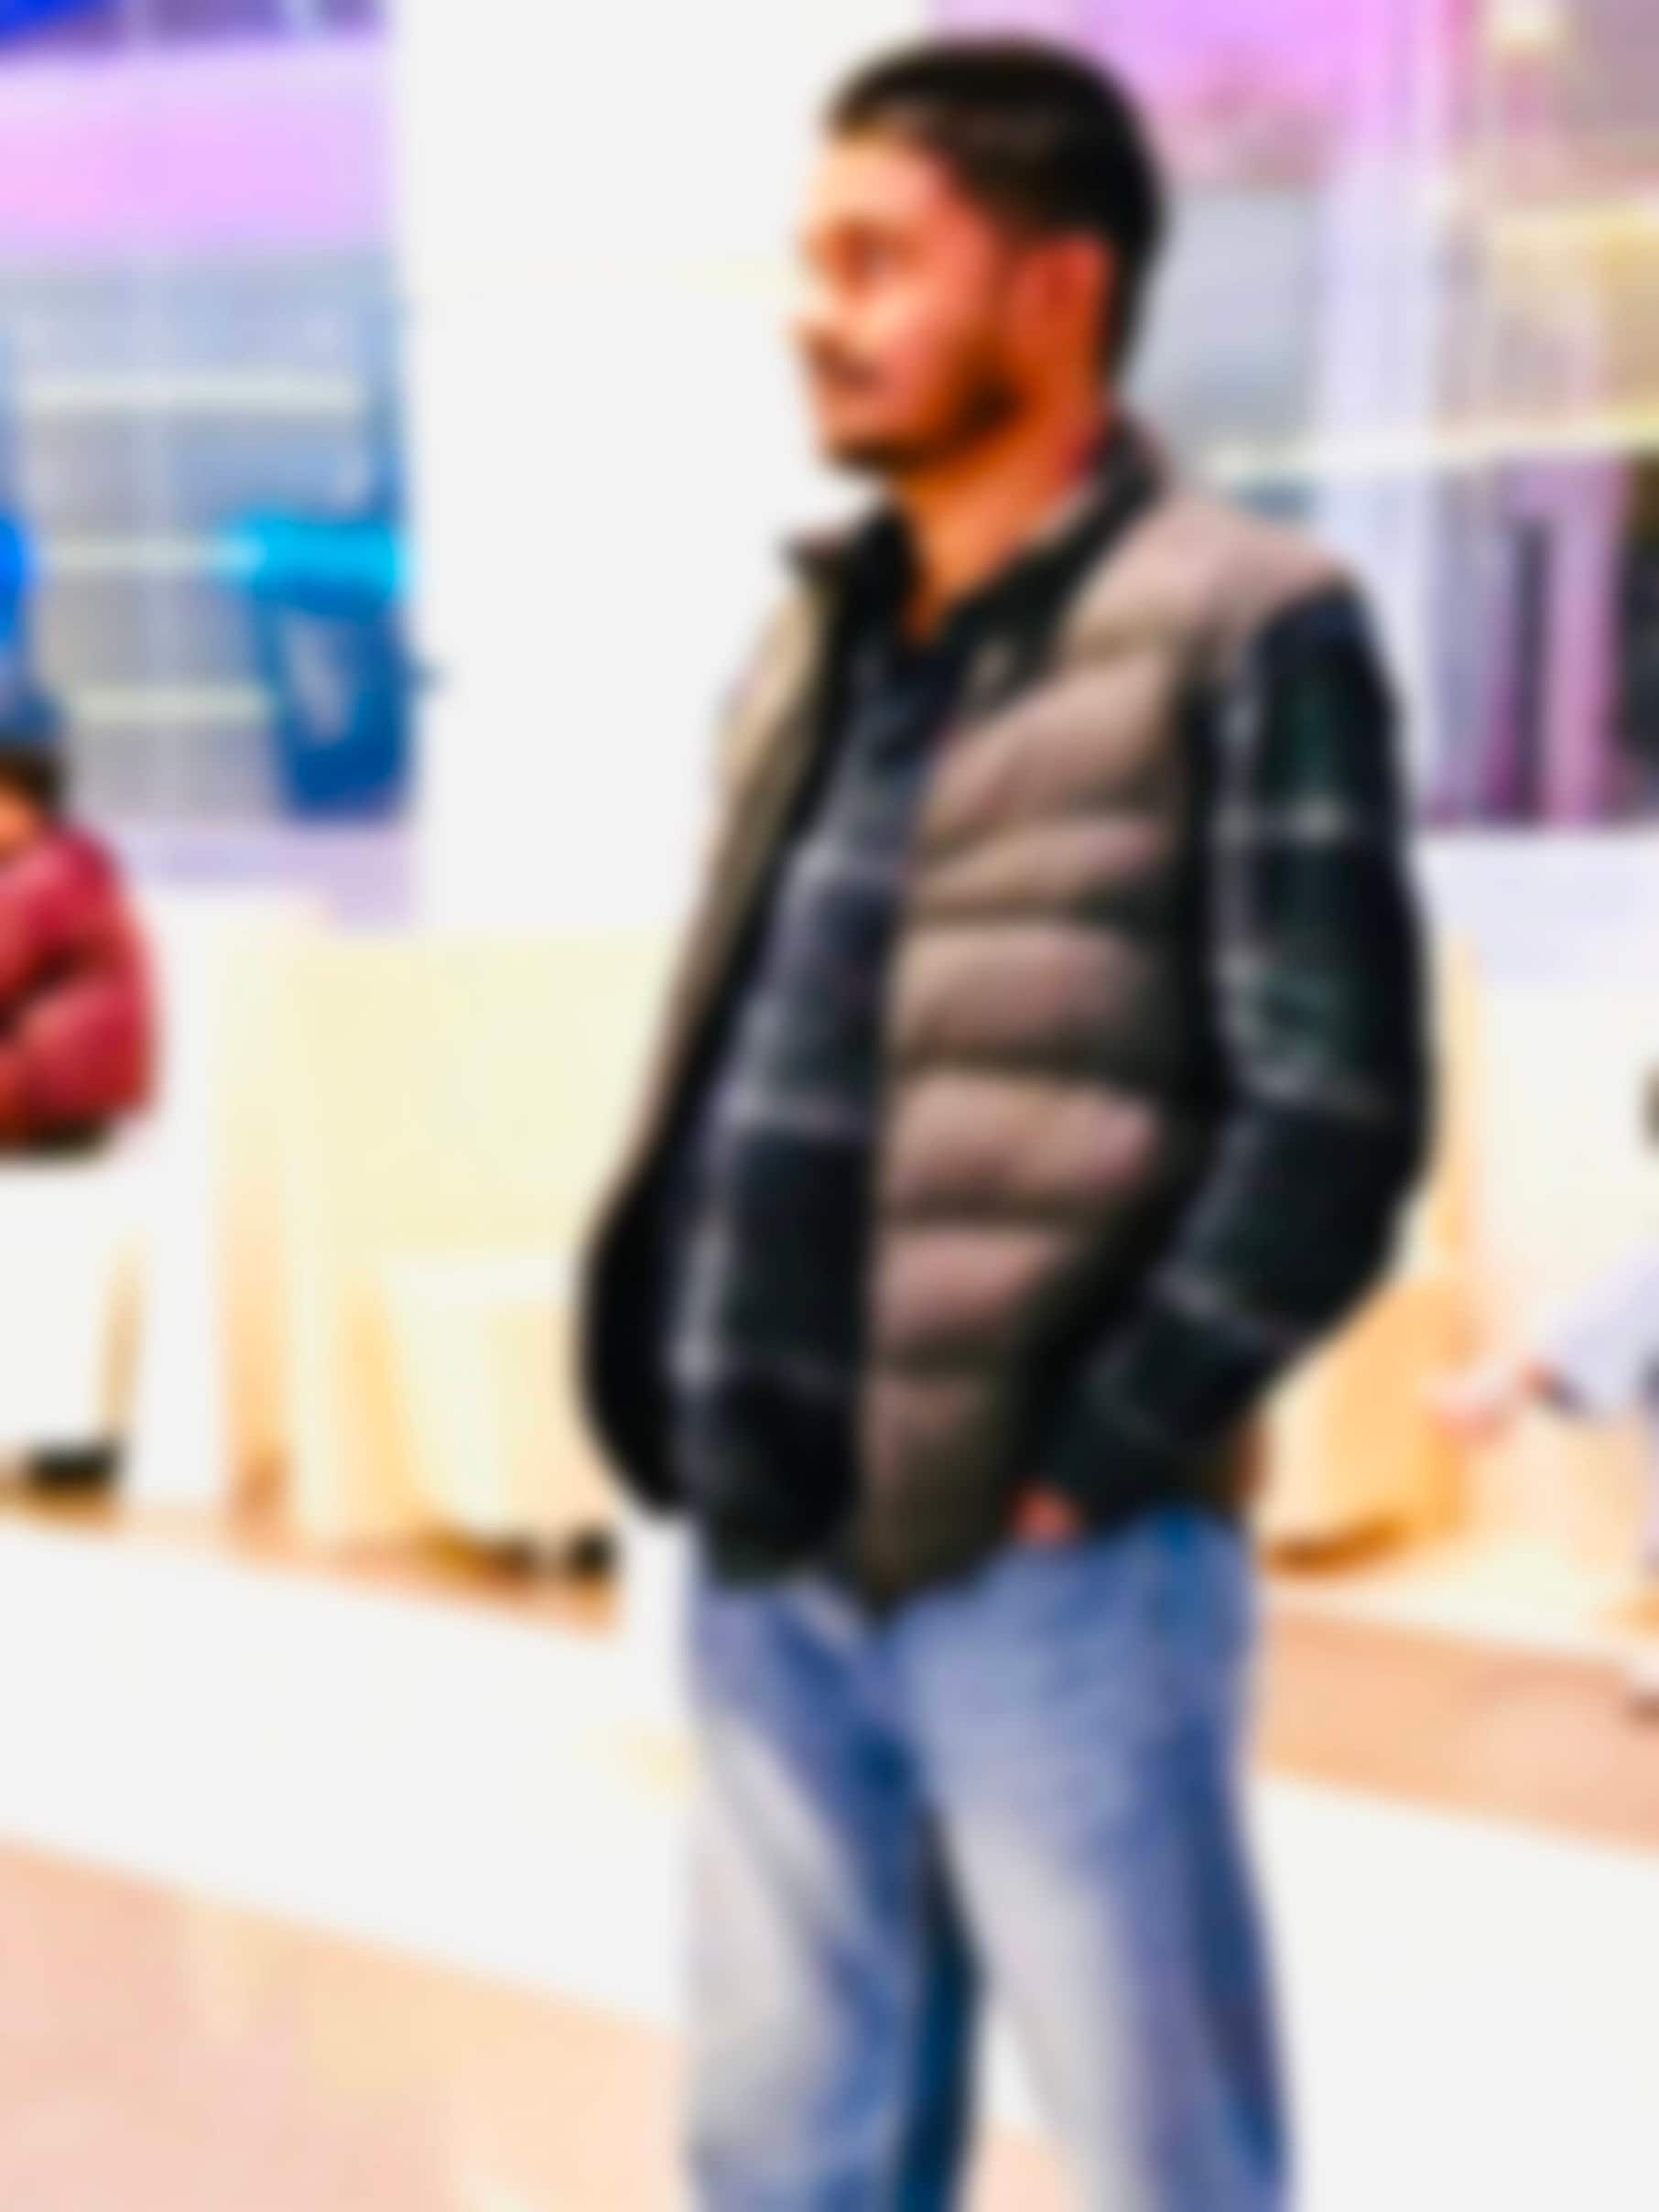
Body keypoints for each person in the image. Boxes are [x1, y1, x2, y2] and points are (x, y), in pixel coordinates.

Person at [578, 37, 1428, 2208]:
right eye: (807, 259)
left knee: (1161, 2154)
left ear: (1057, 288)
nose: (814, 311)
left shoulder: (1246, 626)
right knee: (786, 2142)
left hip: (1053, 1562)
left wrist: (1099, 1451)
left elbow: (1333, 1112)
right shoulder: (813, 633)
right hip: (769, 1530)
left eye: (876, 259)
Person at [0, 703, 151, 1155]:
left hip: (50, 1089)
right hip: (77, 1091)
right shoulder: (74, 860)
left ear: (24, 806)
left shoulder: (42, 876)